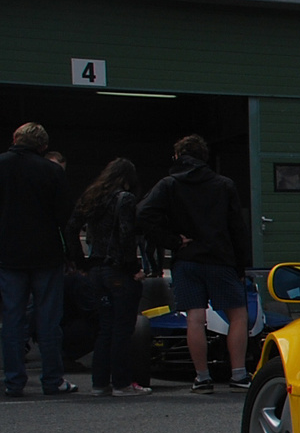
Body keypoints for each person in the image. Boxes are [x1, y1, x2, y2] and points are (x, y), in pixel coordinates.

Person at [137, 134, 253, 394]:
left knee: (195, 318)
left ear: (178, 157)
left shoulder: (169, 184)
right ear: (204, 158)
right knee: (238, 315)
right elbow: (237, 228)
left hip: (187, 259)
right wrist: (240, 266)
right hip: (220, 258)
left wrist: (171, 240)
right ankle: (239, 374)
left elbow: (143, 214)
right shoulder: (224, 185)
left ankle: (202, 377)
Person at [0, 122, 78, 397]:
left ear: (15, 138)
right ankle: (52, 379)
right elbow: (65, 218)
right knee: (48, 319)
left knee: (12, 320)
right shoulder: (52, 171)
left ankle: (13, 381)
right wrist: (72, 255)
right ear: (43, 147)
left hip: (8, 254)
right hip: (46, 255)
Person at [73, 157, 151, 396]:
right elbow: (126, 235)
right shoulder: (124, 199)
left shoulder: (92, 198)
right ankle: (122, 382)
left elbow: (71, 227)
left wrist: (81, 262)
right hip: (117, 269)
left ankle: (100, 382)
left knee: (106, 327)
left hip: (96, 269)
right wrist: (134, 267)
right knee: (122, 328)